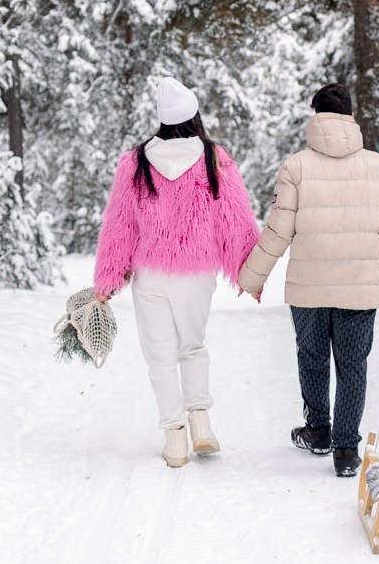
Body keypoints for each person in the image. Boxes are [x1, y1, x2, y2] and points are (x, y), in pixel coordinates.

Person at [238, 82, 379, 478]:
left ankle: (317, 431)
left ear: (316, 117)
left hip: (309, 287)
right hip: (360, 287)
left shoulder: (296, 167)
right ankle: (346, 450)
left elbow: (279, 229)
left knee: (312, 357)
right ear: (351, 116)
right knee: (352, 366)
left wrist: (252, 278)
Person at [94, 77, 261, 467]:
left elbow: (120, 224)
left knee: (160, 355)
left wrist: (108, 277)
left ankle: (174, 438)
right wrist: (250, 275)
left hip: (150, 272)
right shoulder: (214, 157)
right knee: (192, 346)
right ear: (193, 114)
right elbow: (235, 218)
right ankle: (200, 424)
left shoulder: (136, 161)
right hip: (196, 272)